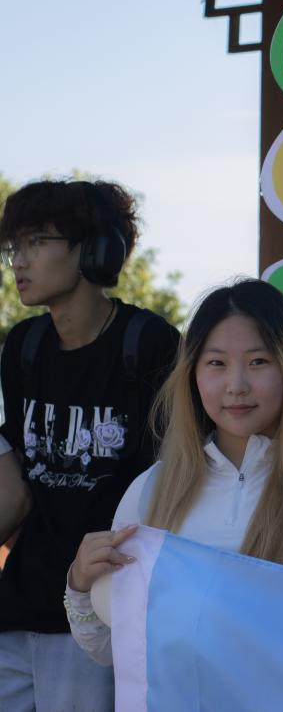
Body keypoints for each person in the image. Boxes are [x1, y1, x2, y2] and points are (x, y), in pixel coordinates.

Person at [64, 279, 283, 665]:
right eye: (217, 363)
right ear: (192, 373)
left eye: (258, 362)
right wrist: (80, 584)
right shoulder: (151, 489)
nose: (236, 385)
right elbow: (111, 650)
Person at [0, 179, 180, 711]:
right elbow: (20, 480)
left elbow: (178, 477)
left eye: (37, 242)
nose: (19, 261)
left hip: (99, 614)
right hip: (18, 606)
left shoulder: (149, 344)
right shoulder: (24, 346)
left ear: (95, 250)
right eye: (15, 247)